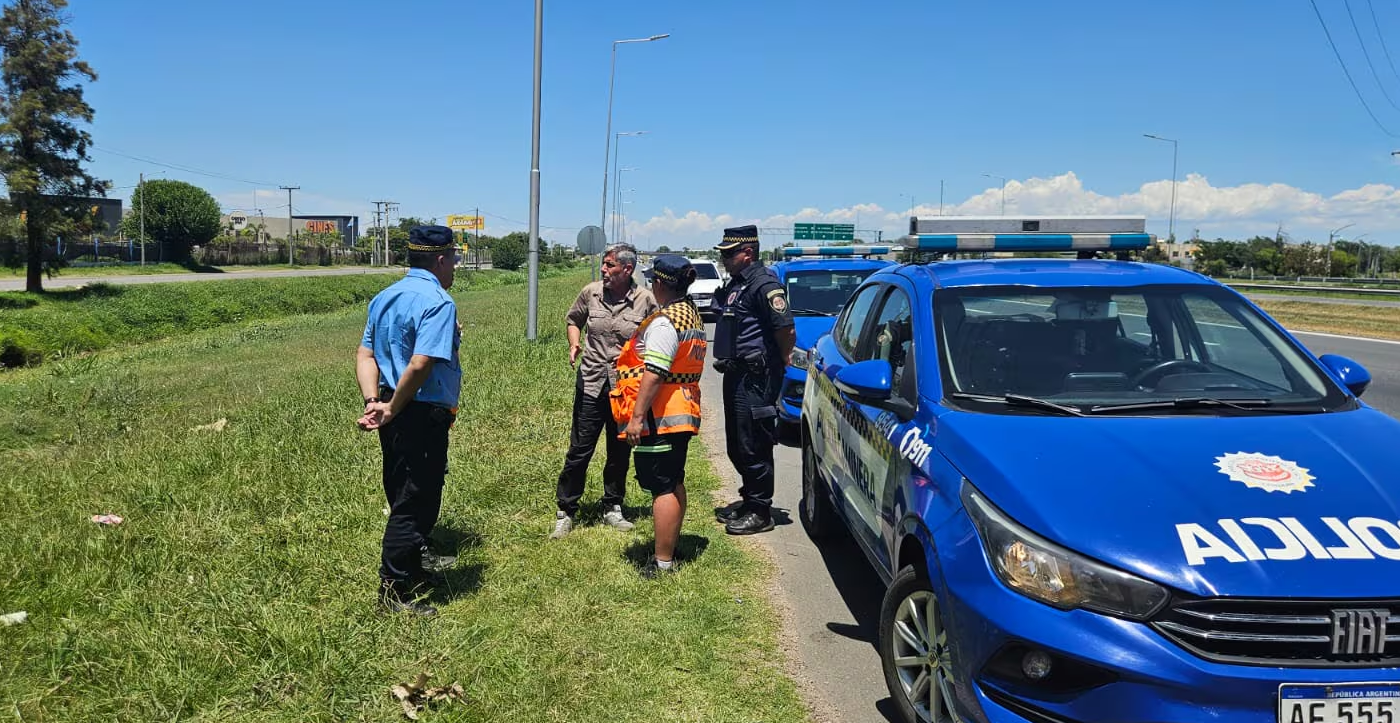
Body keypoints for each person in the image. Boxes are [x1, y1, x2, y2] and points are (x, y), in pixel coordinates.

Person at [356, 225, 463, 617]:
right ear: (440, 260)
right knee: (415, 500)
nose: (454, 267)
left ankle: (413, 569)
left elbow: (365, 355)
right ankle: (393, 590)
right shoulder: (438, 302)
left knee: (401, 488)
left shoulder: (385, 296)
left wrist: (375, 402)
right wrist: (395, 407)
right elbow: (419, 364)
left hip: (391, 404)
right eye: (453, 260)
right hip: (417, 410)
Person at [551, 243, 658, 539]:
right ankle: (566, 510)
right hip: (591, 382)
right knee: (579, 450)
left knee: (619, 450)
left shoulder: (645, 300)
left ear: (627, 269)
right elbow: (574, 319)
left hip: (625, 387)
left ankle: (612, 505)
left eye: (610, 265)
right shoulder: (591, 293)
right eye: (603, 264)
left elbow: (658, 336)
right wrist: (574, 343)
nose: (603, 269)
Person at [610, 255, 707, 577]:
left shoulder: (665, 322)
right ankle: (670, 547)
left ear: (661, 284)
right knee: (673, 480)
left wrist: (636, 418)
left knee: (662, 486)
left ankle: (662, 562)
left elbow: (654, 373)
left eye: (653, 280)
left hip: (661, 415)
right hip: (680, 410)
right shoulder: (689, 313)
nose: (650, 285)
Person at [711, 225, 795, 535]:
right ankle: (749, 500)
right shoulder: (738, 283)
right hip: (736, 373)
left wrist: (781, 361)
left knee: (754, 444)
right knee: (737, 443)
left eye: (729, 254)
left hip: (756, 377)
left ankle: (761, 511)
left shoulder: (764, 284)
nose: (724, 260)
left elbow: (785, 329)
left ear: (747, 253)